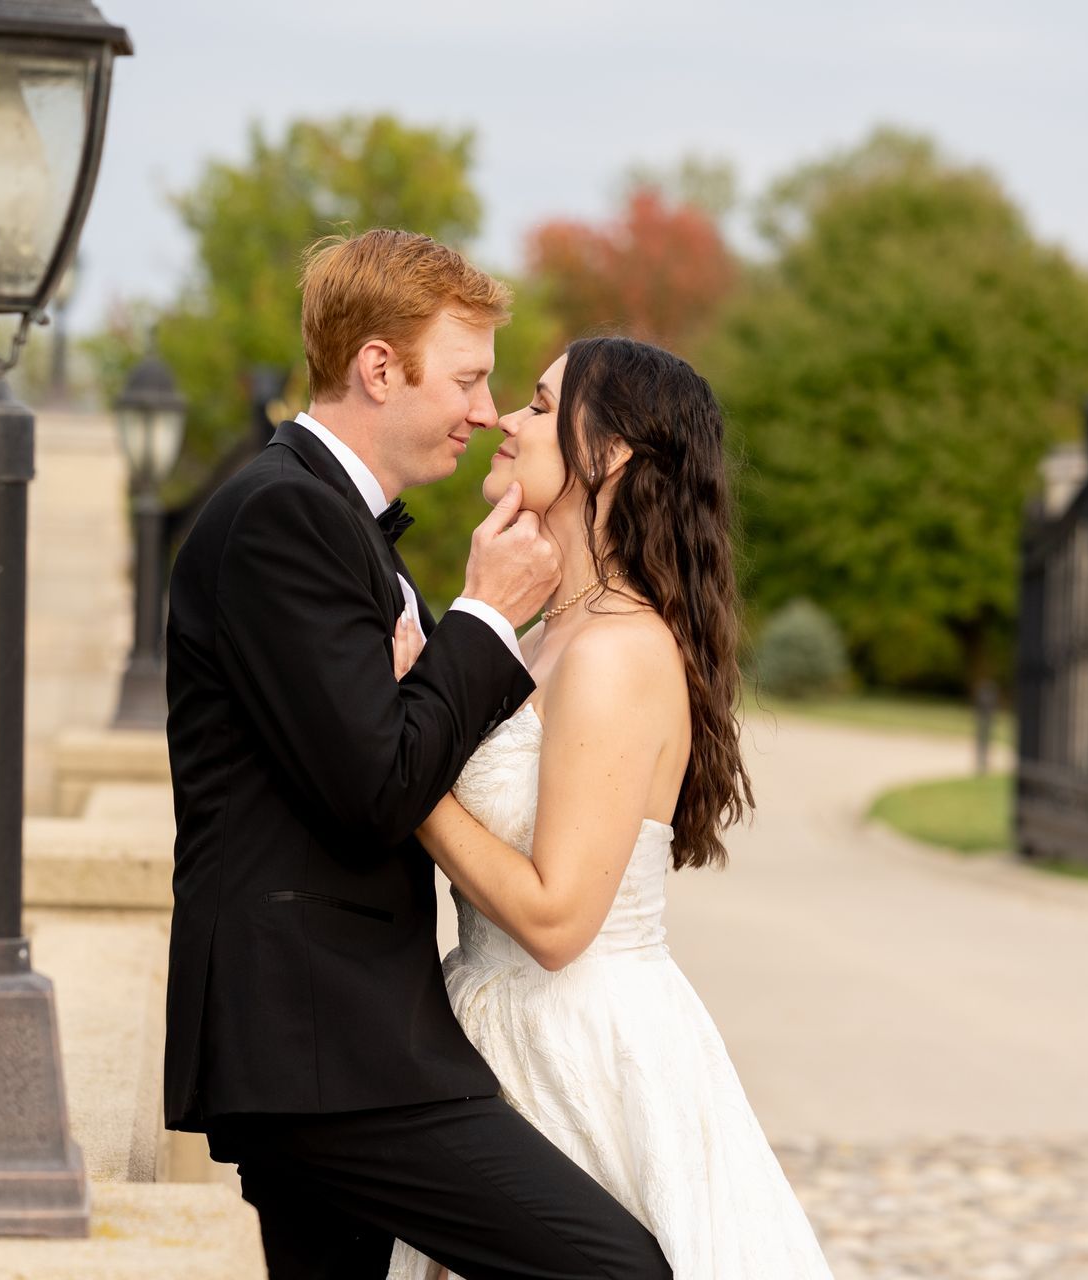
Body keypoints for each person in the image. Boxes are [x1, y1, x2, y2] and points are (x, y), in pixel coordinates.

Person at [162, 231, 672, 1280]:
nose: (486, 411)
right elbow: (375, 787)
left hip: (335, 1041)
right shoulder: (284, 515)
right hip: (323, 1046)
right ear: (380, 367)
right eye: (471, 376)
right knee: (614, 1268)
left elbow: (392, 746)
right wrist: (484, 616)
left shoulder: (330, 517)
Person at [385, 337, 835, 1280]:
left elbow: (555, 920)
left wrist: (401, 775)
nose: (506, 418)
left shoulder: (617, 649)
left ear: (612, 453)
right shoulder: (553, 632)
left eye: (542, 405)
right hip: (491, 1023)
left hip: (582, 1046)